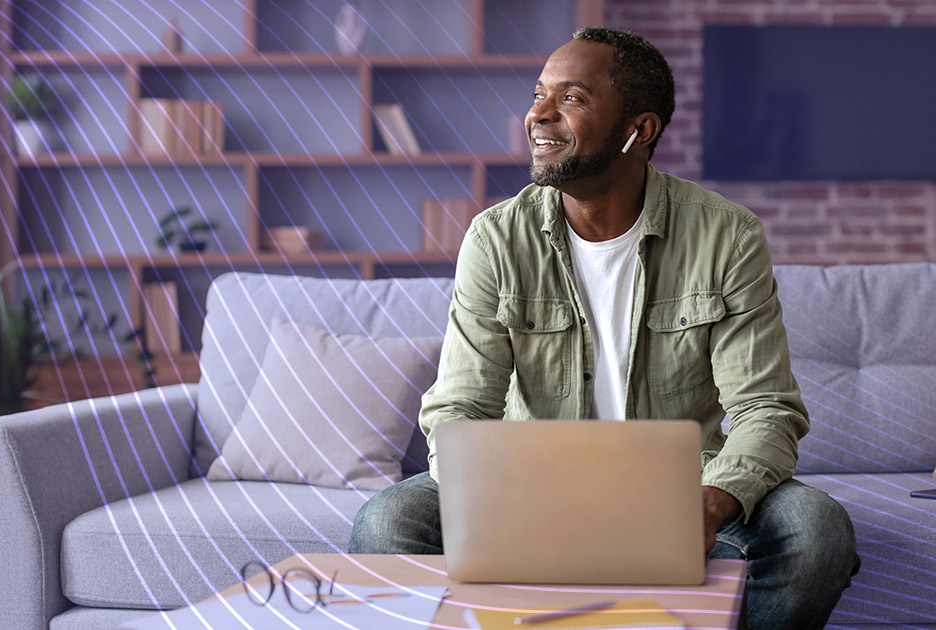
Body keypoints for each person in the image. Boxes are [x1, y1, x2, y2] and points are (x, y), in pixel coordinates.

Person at [348, 27, 859, 629]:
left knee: (816, 531)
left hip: (684, 485)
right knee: (385, 522)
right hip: (526, 483)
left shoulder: (727, 236)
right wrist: (494, 498)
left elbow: (766, 408)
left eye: (571, 98)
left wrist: (708, 504)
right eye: (539, 93)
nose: (537, 114)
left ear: (638, 131)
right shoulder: (496, 237)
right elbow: (460, 406)